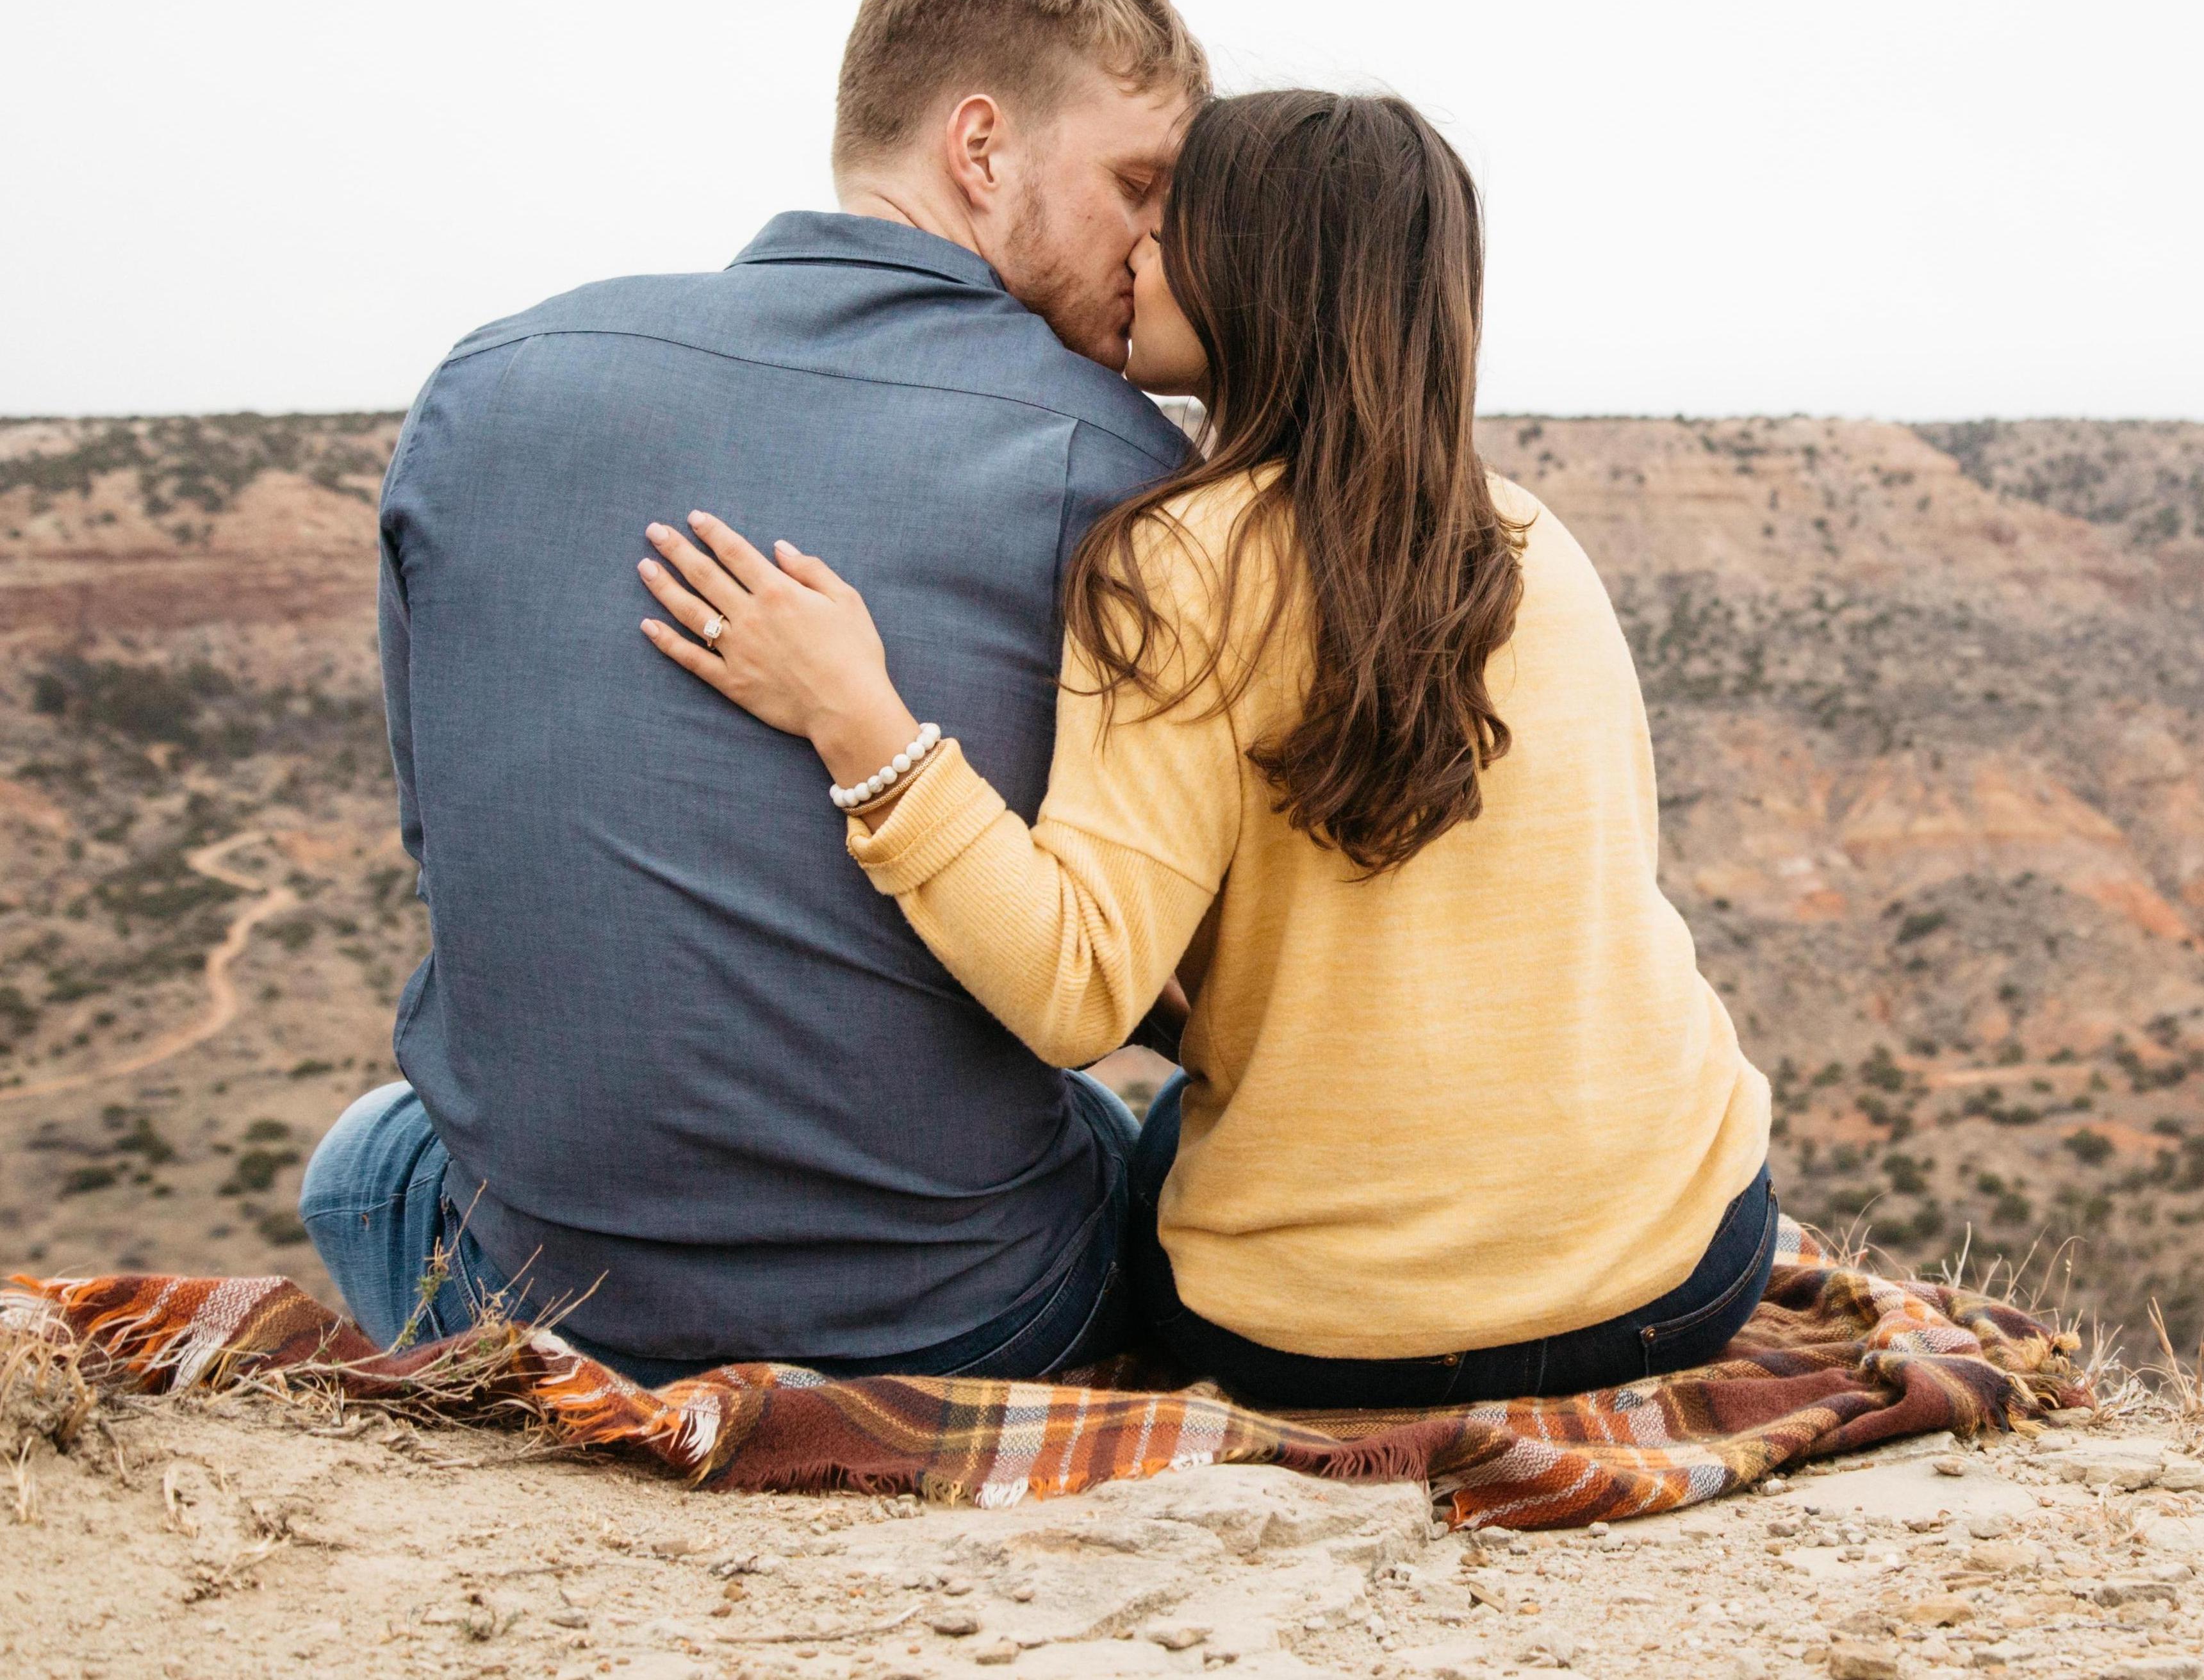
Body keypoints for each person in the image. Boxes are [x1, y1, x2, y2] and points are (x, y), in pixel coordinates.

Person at [637, 89, 1777, 1409]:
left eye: (1169, 229)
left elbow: (1077, 995)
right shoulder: (1536, 545)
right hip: (1682, 1269)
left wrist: (861, 721)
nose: (1137, 255)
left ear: (1259, 274)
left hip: (1339, 1332)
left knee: (1119, 1141)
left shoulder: (1182, 561)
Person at [299, 0, 1209, 1385]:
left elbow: (446, 843)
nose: (1156, 250)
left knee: (361, 1158)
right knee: (1141, 1140)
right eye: (1138, 188)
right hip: (958, 1324)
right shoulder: (1115, 468)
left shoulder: (485, 385)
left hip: (536, 1297)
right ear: (980, 145)